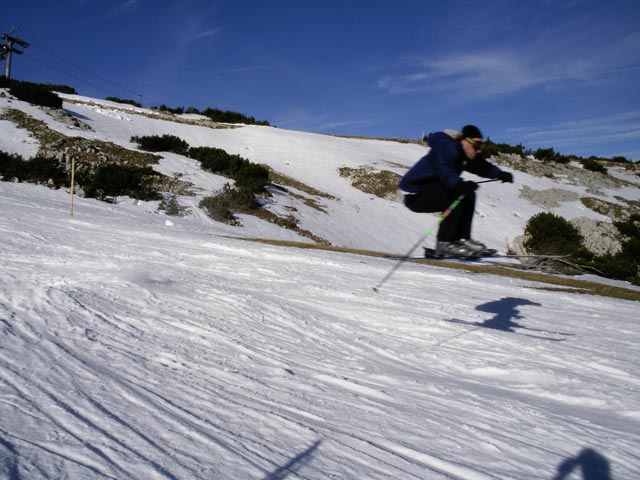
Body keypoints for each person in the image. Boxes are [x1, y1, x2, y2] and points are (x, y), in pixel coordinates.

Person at [399, 125, 514, 257]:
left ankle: (462, 239)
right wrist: (459, 184)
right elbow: (445, 171)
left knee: (469, 194)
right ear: (465, 141)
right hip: (414, 193)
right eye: (476, 145)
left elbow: (482, 167)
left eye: (480, 147)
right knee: (454, 194)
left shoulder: (464, 153)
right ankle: (445, 243)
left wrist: (500, 174)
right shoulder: (447, 147)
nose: (478, 150)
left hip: (430, 188)